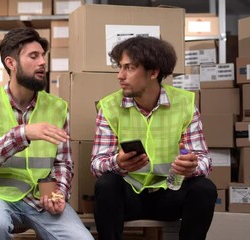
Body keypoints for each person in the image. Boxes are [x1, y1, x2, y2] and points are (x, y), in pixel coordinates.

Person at [0, 27, 93, 240]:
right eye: (33, 56)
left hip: (39, 199)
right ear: (11, 63)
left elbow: (63, 163)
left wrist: (58, 193)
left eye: (43, 56)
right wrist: (22, 134)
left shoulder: (57, 107)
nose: (42, 62)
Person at [91, 36, 217, 240]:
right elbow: (97, 165)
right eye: (120, 67)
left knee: (204, 188)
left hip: (170, 192)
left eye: (129, 68)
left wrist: (191, 166)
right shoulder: (109, 107)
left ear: (153, 72)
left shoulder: (184, 103)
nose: (120, 76)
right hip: (129, 196)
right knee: (106, 185)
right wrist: (118, 163)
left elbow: (204, 160)